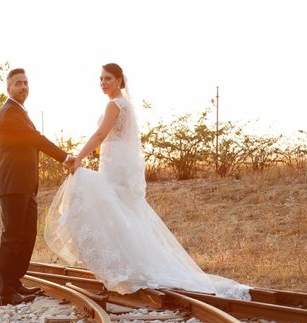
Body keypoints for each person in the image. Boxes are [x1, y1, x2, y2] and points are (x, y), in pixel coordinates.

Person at [44, 63, 250, 299]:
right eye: (100, 79)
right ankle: (128, 264)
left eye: (108, 79)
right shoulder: (126, 105)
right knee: (123, 215)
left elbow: (101, 135)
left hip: (115, 166)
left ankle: (127, 266)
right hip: (116, 163)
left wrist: (78, 158)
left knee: (111, 209)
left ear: (120, 80)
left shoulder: (114, 105)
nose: (103, 83)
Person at [0, 68, 76, 306]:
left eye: (26, 83)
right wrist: (65, 156)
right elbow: (36, 139)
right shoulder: (8, 113)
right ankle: (5, 293)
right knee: (12, 237)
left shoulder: (19, 112)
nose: (23, 87)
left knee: (26, 235)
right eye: (18, 83)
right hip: (13, 186)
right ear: (8, 88)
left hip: (25, 186)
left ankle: (14, 283)